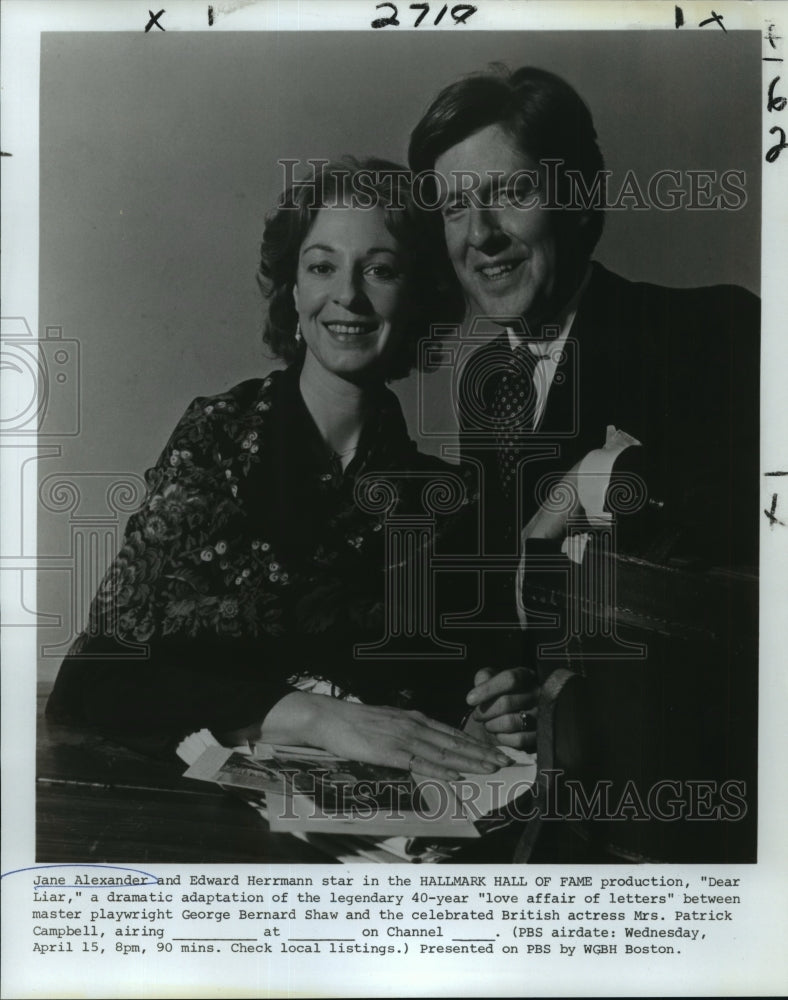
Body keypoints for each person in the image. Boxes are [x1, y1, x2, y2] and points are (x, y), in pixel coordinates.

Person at [46, 158, 537, 783]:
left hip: (380, 836)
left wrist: (496, 713)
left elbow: (463, 705)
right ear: (295, 290)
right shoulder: (216, 438)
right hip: (192, 816)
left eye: (381, 270)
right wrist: (313, 715)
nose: (349, 297)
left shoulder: (451, 501)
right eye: (322, 266)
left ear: (417, 298)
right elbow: (91, 683)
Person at [408, 67, 759, 860]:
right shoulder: (487, 390)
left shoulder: (711, 329)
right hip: (562, 812)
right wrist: (500, 699)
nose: (481, 233)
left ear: (576, 197)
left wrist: (591, 482)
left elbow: (748, 507)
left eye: (508, 193)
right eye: (456, 205)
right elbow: (518, 624)